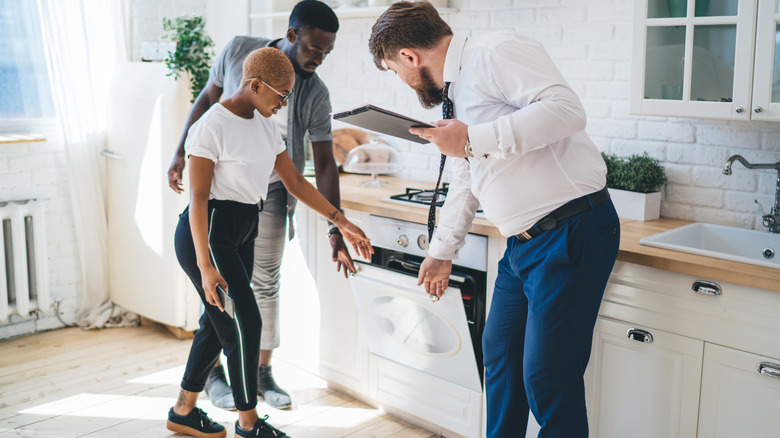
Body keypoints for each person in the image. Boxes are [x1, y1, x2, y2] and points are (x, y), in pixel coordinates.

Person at [368, 2, 621, 437]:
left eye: (395, 70)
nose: (403, 80)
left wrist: (471, 138)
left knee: (548, 376)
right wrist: (441, 252)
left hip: (570, 230)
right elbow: (467, 178)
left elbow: (566, 111)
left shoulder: (495, 51)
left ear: (409, 56)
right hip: (522, 245)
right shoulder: (458, 92)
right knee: (500, 359)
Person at [166, 47, 373, 438]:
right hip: (210, 233)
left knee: (217, 327)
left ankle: (183, 411)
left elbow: (294, 182)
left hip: (245, 228)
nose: (284, 104)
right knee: (246, 322)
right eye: (280, 96)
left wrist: (341, 221)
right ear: (255, 84)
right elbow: (196, 199)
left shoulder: (262, 122)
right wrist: (206, 266)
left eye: (288, 96)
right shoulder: (211, 126)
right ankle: (248, 424)